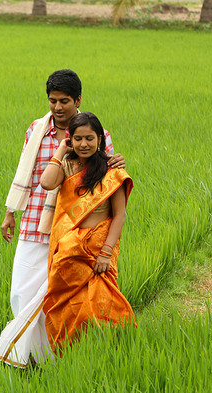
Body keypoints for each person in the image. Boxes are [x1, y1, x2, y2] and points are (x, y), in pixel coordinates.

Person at [0, 70, 124, 367]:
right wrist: (10, 211)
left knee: (58, 295)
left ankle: (52, 358)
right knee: (22, 292)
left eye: (64, 101)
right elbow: (26, 172)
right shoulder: (37, 129)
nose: (58, 107)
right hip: (34, 224)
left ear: (77, 100)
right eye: (53, 101)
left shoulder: (95, 134)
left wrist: (115, 160)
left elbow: (106, 183)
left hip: (72, 232)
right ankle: (34, 354)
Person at [39, 112, 135, 351]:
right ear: (71, 140)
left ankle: (110, 351)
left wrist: (105, 252)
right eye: (78, 139)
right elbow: (47, 183)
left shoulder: (112, 171)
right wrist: (61, 151)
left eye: (89, 138)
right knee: (68, 306)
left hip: (97, 252)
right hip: (69, 250)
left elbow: (119, 215)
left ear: (100, 139)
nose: (83, 144)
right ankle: (70, 353)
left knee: (103, 303)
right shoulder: (67, 166)